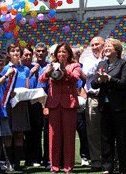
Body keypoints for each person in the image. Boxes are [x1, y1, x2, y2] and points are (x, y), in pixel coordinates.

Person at [90, 38, 126, 174]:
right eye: (106, 46)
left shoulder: (124, 63)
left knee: (122, 138)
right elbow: (94, 84)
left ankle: (124, 168)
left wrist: (109, 79)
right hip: (105, 106)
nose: (106, 48)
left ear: (117, 50)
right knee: (106, 139)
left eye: (110, 46)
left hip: (120, 107)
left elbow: (124, 83)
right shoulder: (102, 63)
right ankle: (107, 167)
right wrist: (100, 80)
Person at [39, 42, 81, 173]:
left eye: (64, 52)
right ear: (56, 54)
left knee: (69, 136)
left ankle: (68, 166)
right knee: (54, 136)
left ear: (69, 54)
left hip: (69, 104)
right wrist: (49, 71)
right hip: (54, 104)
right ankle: (54, 166)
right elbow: (41, 79)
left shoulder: (75, 65)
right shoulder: (50, 65)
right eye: (59, 52)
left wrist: (64, 69)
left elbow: (75, 78)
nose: (61, 54)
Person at [4, 43, 31, 171]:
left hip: (21, 104)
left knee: (19, 134)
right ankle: (9, 162)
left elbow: (27, 87)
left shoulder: (25, 69)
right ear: (8, 54)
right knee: (8, 134)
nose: (15, 53)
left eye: (17, 51)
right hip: (8, 104)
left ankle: (17, 163)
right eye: (13, 51)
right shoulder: (5, 69)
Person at [82, 36, 105, 171]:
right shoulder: (88, 60)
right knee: (93, 131)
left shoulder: (110, 57)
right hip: (92, 97)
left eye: (98, 44)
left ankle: (112, 159)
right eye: (93, 45)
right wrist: (101, 63)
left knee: (109, 129)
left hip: (107, 97)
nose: (95, 47)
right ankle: (96, 160)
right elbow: (87, 74)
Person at [73, 47, 91, 167]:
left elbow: (88, 81)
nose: (74, 56)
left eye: (76, 54)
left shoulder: (83, 67)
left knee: (83, 132)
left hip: (81, 105)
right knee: (68, 134)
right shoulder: (65, 68)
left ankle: (85, 156)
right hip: (69, 104)